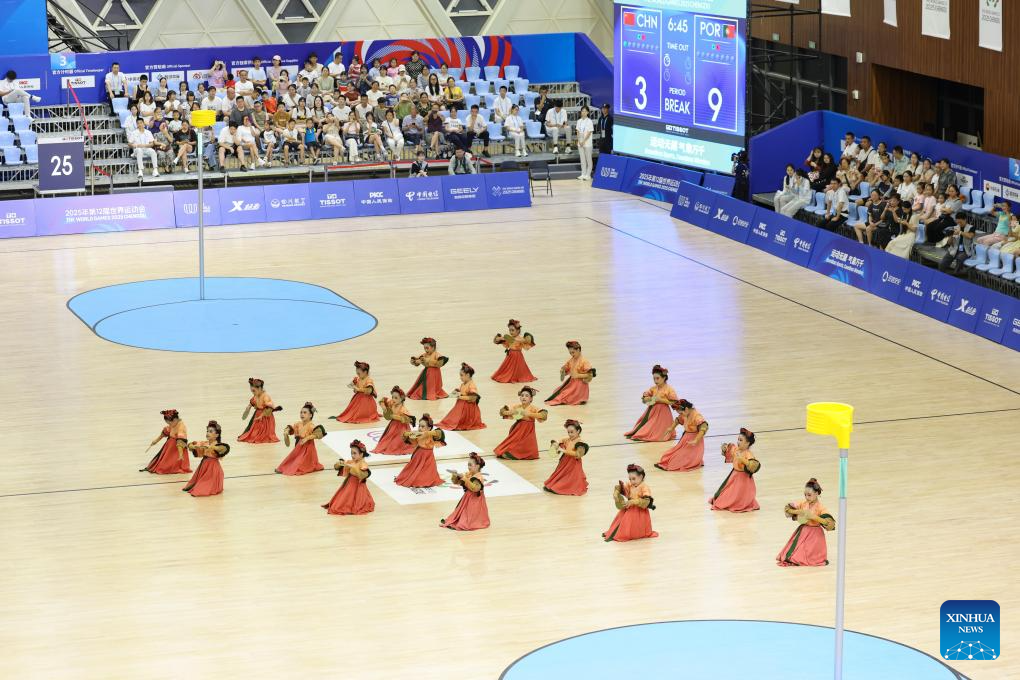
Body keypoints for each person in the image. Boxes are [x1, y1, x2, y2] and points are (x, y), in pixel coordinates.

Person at [777, 478, 836, 567]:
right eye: (805, 495)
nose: (807, 497)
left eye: (809, 495)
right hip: (803, 531)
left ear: (816, 493)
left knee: (804, 555)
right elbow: (788, 508)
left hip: (815, 535)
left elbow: (829, 523)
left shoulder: (820, 507)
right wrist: (799, 512)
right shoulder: (803, 503)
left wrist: (814, 517)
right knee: (793, 555)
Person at [709, 427, 760, 512]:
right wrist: (725, 449)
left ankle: (739, 503)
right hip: (734, 477)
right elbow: (729, 452)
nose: (738, 442)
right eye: (738, 439)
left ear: (747, 443)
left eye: (741, 440)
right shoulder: (736, 449)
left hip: (743, 480)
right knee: (726, 493)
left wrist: (743, 459)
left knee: (739, 495)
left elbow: (753, 465)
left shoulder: (748, 454)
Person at [603, 464, 658, 542]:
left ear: (641, 477)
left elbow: (646, 501)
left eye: (634, 479)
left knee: (628, 522)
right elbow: (622, 488)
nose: (631, 481)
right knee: (621, 520)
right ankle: (618, 532)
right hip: (629, 506)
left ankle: (629, 533)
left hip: (639, 511)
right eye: (630, 479)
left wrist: (633, 502)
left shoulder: (644, 487)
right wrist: (616, 493)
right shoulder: (630, 484)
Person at [623, 365, 678, 442]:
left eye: (657, 378)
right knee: (646, 424)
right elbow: (645, 396)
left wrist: (662, 400)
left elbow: (674, 402)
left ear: (664, 378)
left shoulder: (669, 389)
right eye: (654, 379)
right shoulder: (654, 388)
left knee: (655, 427)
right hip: (652, 411)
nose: (655, 381)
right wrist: (646, 398)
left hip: (663, 413)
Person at [322, 440, 375, 516]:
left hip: (357, 486)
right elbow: (338, 466)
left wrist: (351, 466)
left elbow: (363, 475)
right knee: (343, 499)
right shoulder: (352, 461)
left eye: (354, 453)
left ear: (361, 454)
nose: (352, 455)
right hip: (349, 483)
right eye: (351, 453)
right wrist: (340, 464)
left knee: (349, 500)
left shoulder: (363, 464)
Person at [495, 386, 547, 460]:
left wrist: (529, 414)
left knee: (525, 444)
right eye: (522, 395)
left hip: (528, 431)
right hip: (518, 429)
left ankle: (518, 454)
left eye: (526, 396)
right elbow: (502, 411)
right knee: (514, 443)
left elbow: (543, 415)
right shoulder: (517, 406)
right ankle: (512, 452)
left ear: (531, 399)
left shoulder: (533, 408)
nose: (524, 397)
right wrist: (511, 412)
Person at [441, 453, 491, 530]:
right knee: (464, 512)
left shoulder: (479, 477)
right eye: (468, 465)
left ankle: (467, 522)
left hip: (475, 500)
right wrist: (455, 475)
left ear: (477, 466)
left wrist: (464, 478)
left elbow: (475, 488)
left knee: (469, 513)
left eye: (470, 465)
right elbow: (457, 482)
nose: (468, 467)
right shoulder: (469, 474)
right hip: (467, 498)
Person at [654, 399, 708, 471]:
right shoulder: (685, 414)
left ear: (686, 409)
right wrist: (671, 428)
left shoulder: (697, 416)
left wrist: (696, 440)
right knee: (671, 454)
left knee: (680, 459)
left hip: (694, 441)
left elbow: (703, 427)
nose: (681, 414)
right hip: (685, 439)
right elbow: (678, 419)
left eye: (681, 412)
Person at [275, 402, 326, 475]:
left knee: (299, 463)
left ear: (310, 415)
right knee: (291, 459)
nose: (302, 414)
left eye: (305, 412)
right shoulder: (298, 424)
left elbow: (317, 433)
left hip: (307, 449)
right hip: (299, 447)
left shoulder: (311, 425)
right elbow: (292, 430)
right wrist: (287, 432)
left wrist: (307, 438)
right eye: (301, 412)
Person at [395, 414, 445, 487]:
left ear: (429, 428)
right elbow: (407, 435)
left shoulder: (431, 435)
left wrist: (425, 433)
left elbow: (439, 432)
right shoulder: (417, 435)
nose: (420, 428)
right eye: (419, 426)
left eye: (423, 426)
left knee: (427, 470)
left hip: (428, 456)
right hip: (418, 455)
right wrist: (408, 434)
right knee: (414, 468)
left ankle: (425, 480)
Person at [181, 421, 230, 497]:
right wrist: (193, 446)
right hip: (204, 465)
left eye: (210, 431)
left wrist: (213, 447)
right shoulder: (205, 443)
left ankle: (202, 488)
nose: (207, 433)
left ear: (217, 435)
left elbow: (222, 449)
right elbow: (191, 445)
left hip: (212, 467)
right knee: (201, 480)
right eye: (207, 431)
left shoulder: (218, 444)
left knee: (207, 481)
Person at [543, 420, 589, 495]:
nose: (570, 434)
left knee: (569, 477)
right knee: (561, 475)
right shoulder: (567, 439)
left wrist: (563, 450)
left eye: (572, 432)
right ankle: (555, 485)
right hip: (565, 462)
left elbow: (577, 454)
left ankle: (562, 487)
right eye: (568, 432)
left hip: (573, 464)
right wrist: (556, 444)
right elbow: (559, 441)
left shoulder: (580, 442)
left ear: (578, 431)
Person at [437, 363, 486, 431]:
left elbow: (472, 397)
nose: (460, 377)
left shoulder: (472, 385)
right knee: (453, 417)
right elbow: (463, 393)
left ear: (468, 375)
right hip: (460, 406)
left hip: (467, 408)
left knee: (458, 420)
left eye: (461, 375)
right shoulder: (463, 384)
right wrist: (458, 392)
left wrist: (459, 396)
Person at [545, 340, 594, 406]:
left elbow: (590, 374)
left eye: (573, 352)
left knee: (564, 396)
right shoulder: (572, 360)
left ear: (578, 350)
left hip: (580, 386)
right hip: (572, 382)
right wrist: (563, 370)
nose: (572, 354)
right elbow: (566, 368)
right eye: (570, 353)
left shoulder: (584, 361)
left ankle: (579, 397)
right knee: (557, 391)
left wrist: (578, 375)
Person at [141, 409, 190, 474]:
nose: (169, 424)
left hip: (177, 448)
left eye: (169, 423)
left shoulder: (181, 427)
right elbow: (165, 432)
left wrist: (181, 454)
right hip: (170, 446)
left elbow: (180, 442)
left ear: (175, 419)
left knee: (169, 465)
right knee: (163, 463)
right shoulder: (173, 424)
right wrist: (156, 440)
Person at [374, 386, 417, 455]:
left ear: (401, 398)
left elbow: (407, 419)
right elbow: (383, 400)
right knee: (387, 440)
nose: (393, 399)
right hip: (393, 426)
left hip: (401, 428)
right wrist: (384, 408)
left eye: (396, 398)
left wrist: (393, 416)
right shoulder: (392, 403)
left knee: (397, 443)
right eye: (392, 397)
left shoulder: (403, 409)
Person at [237, 377, 281, 443]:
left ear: (260, 388)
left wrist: (267, 407)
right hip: (257, 415)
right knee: (254, 431)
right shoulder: (255, 396)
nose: (253, 393)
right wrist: (248, 407)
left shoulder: (265, 396)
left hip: (265, 416)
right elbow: (252, 402)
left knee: (263, 432)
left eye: (254, 391)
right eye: (252, 391)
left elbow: (270, 407)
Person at [576, 105, 594, 180]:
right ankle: (583, 174)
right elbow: (577, 131)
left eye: (585, 111)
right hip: (580, 143)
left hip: (587, 143)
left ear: (588, 112)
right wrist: (579, 140)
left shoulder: (589, 121)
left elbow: (589, 132)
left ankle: (588, 174)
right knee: (582, 159)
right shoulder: (579, 121)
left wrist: (583, 141)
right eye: (582, 111)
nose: (583, 112)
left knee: (588, 159)